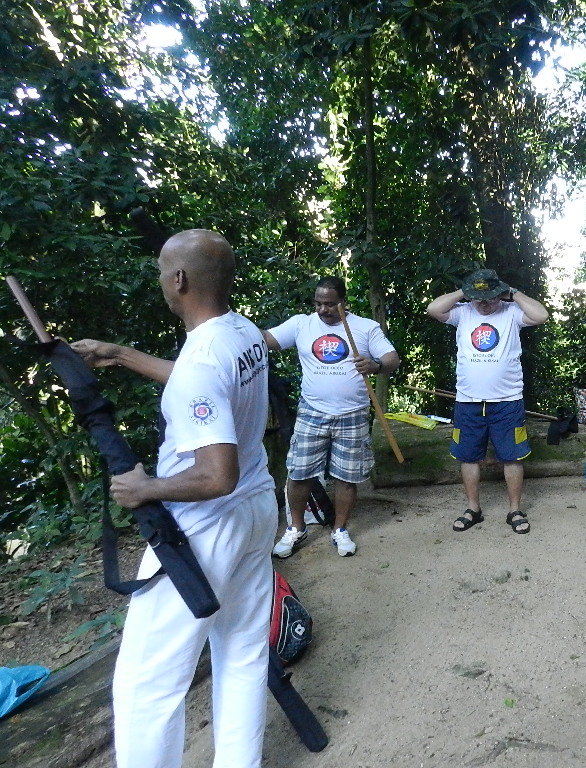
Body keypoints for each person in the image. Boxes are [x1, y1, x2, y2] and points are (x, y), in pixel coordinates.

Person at [71, 229, 277, 768]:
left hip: (205, 528)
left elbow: (217, 476)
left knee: (147, 684)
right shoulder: (242, 331)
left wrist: (145, 489)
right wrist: (119, 354)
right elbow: (200, 381)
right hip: (257, 510)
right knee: (243, 652)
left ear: (179, 279)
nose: (162, 280)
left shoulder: (203, 359)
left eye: (163, 271)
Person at [265, 276, 400, 558]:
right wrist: (234, 327)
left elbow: (392, 359)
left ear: (344, 303)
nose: (323, 309)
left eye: (330, 304)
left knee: (346, 476)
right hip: (312, 411)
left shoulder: (365, 327)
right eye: (318, 303)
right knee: (299, 472)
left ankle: (340, 529)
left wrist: (375, 365)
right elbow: (266, 340)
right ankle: (296, 527)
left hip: (353, 413)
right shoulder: (301, 324)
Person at [426, 269, 549, 534]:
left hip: (508, 400)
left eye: (489, 297)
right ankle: (473, 509)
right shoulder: (462, 312)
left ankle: (515, 510)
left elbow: (541, 315)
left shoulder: (511, 312)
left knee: (512, 457)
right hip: (468, 400)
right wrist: (464, 291)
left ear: (499, 293)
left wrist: (513, 294)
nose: (483, 303)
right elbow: (433, 309)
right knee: (468, 456)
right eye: (478, 297)